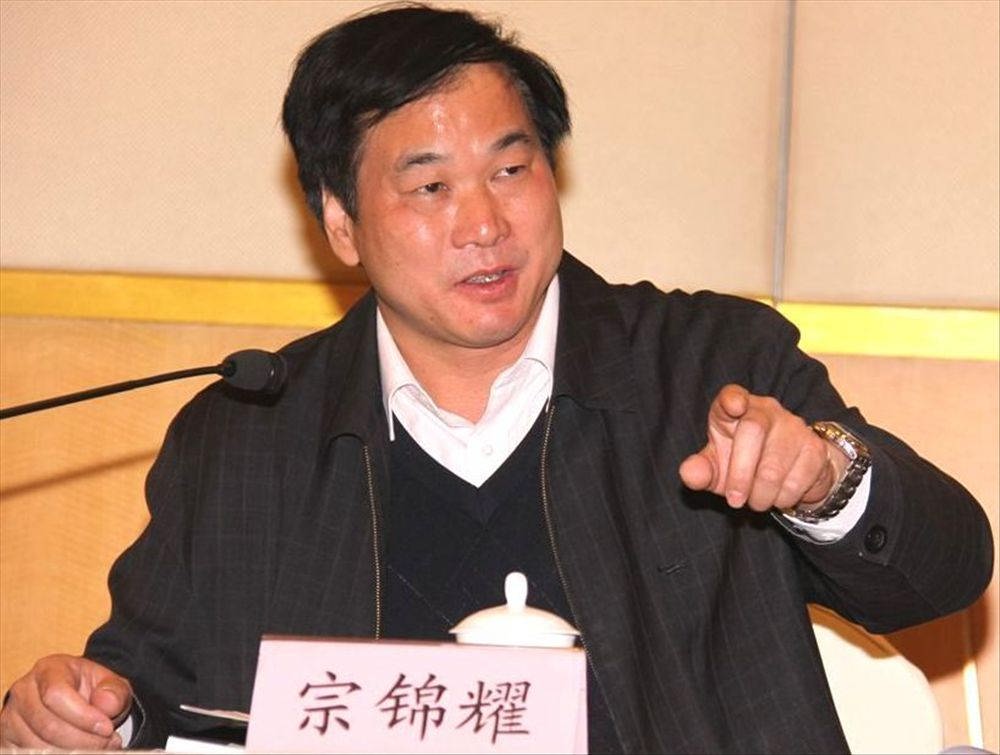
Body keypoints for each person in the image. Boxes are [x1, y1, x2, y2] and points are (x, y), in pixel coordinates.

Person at [0, 4, 993, 753]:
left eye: (511, 171)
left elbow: (947, 572)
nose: (483, 223)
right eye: (430, 186)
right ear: (341, 222)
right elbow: (148, 688)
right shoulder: (247, 432)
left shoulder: (705, 366)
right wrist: (85, 714)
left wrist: (825, 476)